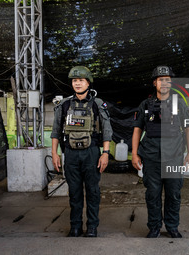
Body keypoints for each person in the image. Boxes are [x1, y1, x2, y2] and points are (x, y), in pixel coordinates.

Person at [132, 65, 189, 238]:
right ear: (155, 83)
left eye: (167, 80)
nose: (164, 83)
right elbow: (137, 130)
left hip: (174, 157)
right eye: (161, 80)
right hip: (151, 158)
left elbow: (188, 129)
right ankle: (154, 227)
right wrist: (135, 154)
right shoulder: (145, 104)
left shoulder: (180, 104)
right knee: (152, 194)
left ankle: (172, 226)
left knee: (174, 194)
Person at [51, 66, 112, 237]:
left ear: (88, 82)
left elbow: (107, 130)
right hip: (70, 153)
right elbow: (56, 131)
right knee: (74, 192)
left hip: (91, 153)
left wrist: (105, 153)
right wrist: (55, 153)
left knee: (92, 191)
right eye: (74, 80)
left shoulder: (98, 104)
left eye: (81, 80)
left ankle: (92, 226)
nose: (77, 83)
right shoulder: (63, 105)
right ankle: (75, 226)